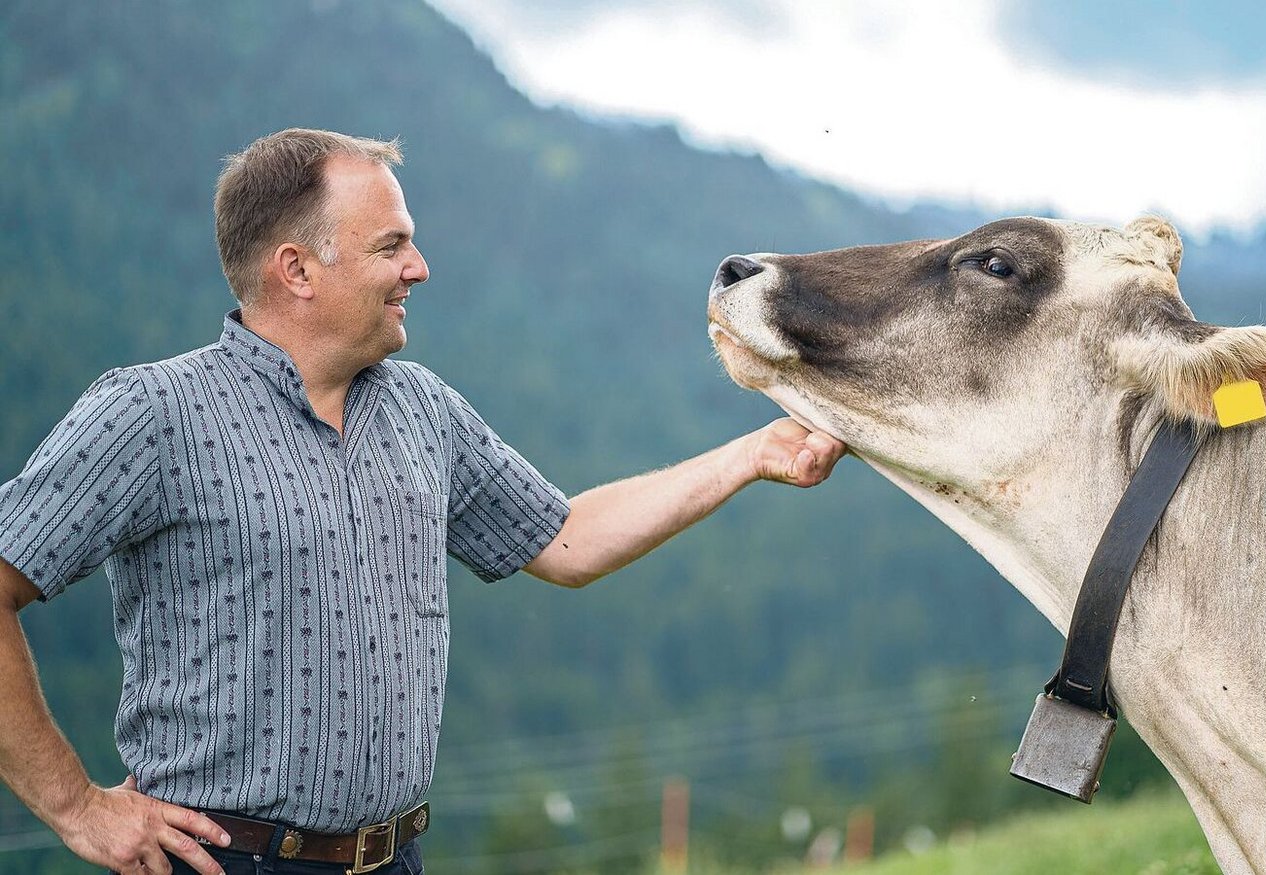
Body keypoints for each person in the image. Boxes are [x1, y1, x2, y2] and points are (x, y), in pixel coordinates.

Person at [0, 129, 845, 875]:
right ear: (296, 269)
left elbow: (568, 539)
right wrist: (77, 807)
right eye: (390, 247)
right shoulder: (152, 412)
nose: (419, 268)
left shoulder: (421, 407)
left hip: (397, 859)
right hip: (225, 865)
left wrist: (749, 455)